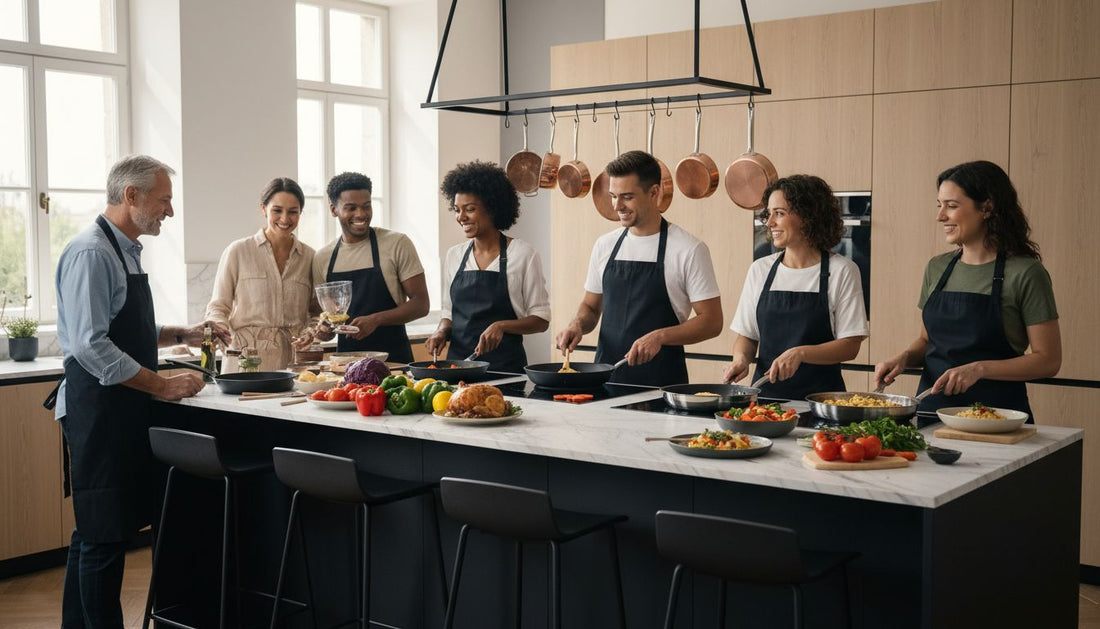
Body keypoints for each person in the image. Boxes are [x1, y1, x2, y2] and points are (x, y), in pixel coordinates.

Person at [54, 155, 230, 628]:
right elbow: (91, 345)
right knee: (104, 536)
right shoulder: (92, 252)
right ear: (131, 196)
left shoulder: (124, 250)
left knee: (95, 532)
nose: (170, 211)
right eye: (164, 200)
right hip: (97, 413)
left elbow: (123, 329)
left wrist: (180, 334)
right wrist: (162, 385)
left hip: (120, 408)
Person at [874, 160, 1061, 416]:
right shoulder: (937, 268)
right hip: (932, 414)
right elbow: (927, 341)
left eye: (951, 206)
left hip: (997, 418)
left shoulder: (1026, 273)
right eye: (939, 205)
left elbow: (1048, 360)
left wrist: (979, 369)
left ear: (986, 208)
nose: (940, 216)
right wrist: (904, 358)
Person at [555, 150, 723, 386]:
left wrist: (660, 336)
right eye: (613, 196)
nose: (617, 206)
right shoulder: (605, 245)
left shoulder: (689, 249)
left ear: (654, 192)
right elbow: (591, 307)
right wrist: (577, 324)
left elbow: (712, 322)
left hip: (662, 385)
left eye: (627, 197)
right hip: (606, 380)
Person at [722, 174, 868, 400]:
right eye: (769, 213)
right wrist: (741, 360)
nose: (769, 223)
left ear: (808, 216)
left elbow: (850, 345)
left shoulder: (842, 271)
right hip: (765, 401)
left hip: (822, 402)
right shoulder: (760, 269)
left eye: (779, 213)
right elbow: (748, 336)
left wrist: (801, 353)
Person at [425, 161, 550, 373]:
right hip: (458, 368)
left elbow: (541, 320)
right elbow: (449, 312)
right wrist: (441, 331)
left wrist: (502, 326)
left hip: (505, 370)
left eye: (470, 209)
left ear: (492, 208)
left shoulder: (523, 255)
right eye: (457, 210)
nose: (461, 217)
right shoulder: (454, 255)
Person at [309, 172, 429, 363]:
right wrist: (324, 330)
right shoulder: (322, 257)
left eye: (366, 206)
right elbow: (325, 317)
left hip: (394, 362)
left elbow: (421, 304)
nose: (361, 214)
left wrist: (376, 320)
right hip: (346, 364)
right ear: (333, 209)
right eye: (351, 208)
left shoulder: (397, 243)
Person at [205, 177, 314, 370]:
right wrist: (219, 332)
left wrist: (311, 332)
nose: (285, 219)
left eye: (293, 212)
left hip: (292, 364)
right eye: (277, 210)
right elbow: (218, 307)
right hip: (244, 362)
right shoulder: (238, 251)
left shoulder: (310, 257)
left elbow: (317, 313)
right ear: (264, 209)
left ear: (300, 213)